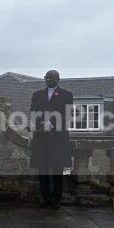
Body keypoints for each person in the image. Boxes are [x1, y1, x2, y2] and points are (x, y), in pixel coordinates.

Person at [29, 70, 73, 208]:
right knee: (43, 168)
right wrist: (40, 124)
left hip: (58, 137)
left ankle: (56, 199)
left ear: (58, 79)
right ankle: (45, 197)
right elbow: (33, 112)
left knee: (57, 169)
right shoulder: (37, 95)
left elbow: (67, 114)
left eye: (52, 77)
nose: (49, 79)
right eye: (47, 77)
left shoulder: (66, 95)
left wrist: (52, 125)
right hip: (41, 137)